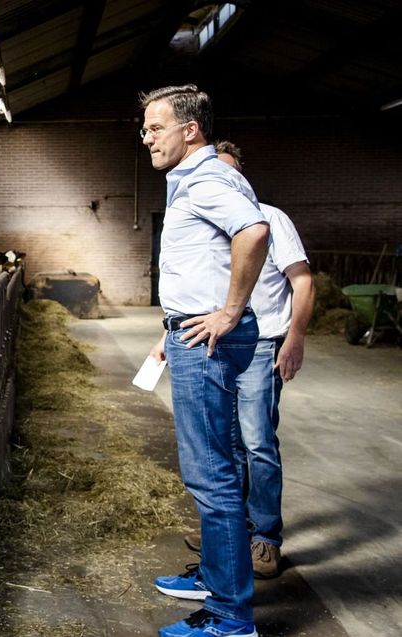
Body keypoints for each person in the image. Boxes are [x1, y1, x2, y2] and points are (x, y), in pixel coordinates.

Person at [140, 85, 270, 637]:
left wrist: (227, 312)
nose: (145, 137)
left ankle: (229, 617)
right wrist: (172, 327)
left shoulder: (209, 178)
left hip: (208, 342)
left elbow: (254, 232)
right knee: (221, 466)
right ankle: (217, 581)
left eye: (154, 127)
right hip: (192, 335)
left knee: (211, 477)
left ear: (189, 129)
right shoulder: (195, 180)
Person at [183, 141, 316, 579]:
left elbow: (303, 282)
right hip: (217, 340)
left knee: (257, 441)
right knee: (224, 443)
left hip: (261, 343)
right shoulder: (205, 221)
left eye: (229, 172)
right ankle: (229, 530)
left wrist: (295, 337)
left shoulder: (271, 219)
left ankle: (266, 538)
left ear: (241, 177)